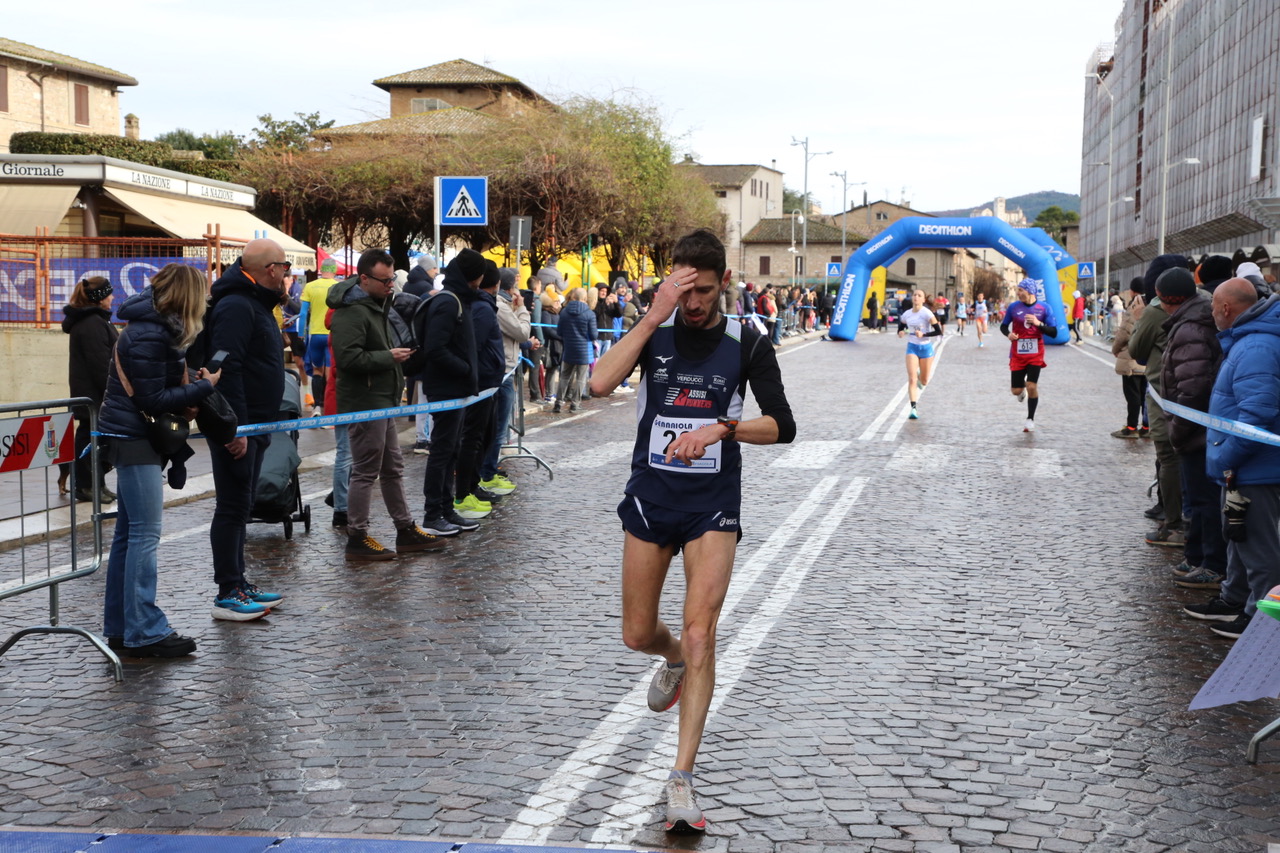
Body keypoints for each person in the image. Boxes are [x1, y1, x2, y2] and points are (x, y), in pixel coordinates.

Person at [588, 228, 795, 833]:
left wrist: (721, 431)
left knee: (703, 632)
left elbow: (783, 426)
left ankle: (681, 779)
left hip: (712, 503)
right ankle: (669, 655)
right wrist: (653, 317)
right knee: (636, 633)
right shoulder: (657, 331)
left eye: (703, 290)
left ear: (723, 282)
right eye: (684, 291)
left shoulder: (747, 340)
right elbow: (599, 384)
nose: (695, 303)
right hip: (652, 497)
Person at [99, 264, 222, 656]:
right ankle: (143, 630)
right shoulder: (150, 334)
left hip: (130, 437)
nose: (206, 300)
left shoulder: (152, 329)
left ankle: (122, 627)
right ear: (187, 296)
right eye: (202, 293)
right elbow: (152, 400)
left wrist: (189, 381)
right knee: (143, 535)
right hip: (134, 439)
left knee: (128, 536)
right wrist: (205, 385)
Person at [327, 249, 445, 560]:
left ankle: (404, 528)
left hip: (382, 398)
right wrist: (388, 357)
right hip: (365, 400)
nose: (390, 285)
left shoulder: (377, 303)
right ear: (364, 279)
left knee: (392, 467)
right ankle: (358, 535)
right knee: (366, 470)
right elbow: (347, 358)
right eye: (384, 280)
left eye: (392, 279)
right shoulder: (352, 310)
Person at [202, 239, 289, 621]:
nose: (288, 275)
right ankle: (228, 591)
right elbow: (226, 368)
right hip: (240, 425)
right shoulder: (237, 305)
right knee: (233, 505)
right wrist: (235, 427)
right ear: (270, 269)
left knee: (242, 505)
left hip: (255, 422)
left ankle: (238, 581)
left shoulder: (255, 302)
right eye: (285, 268)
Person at [1191, 278, 1274, 640]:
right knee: (1240, 538)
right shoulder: (1250, 340)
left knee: (1259, 545)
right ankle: (1236, 601)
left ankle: (1261, 619)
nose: (1211, 313)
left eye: (1213, 307)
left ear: (1226, 308)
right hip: (1246, 465)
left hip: (1255, 466)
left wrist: (1226, 457)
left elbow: (1257, 414)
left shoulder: (1256, 345)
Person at [1155, 272, 1228, 592]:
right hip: (1201, 428)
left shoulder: (1190, 328)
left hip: (1196, 431)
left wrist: (1179, 431)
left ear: (1168, 298)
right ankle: (1196, 555)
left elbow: (1193, 386)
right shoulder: (1195, 318)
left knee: (1203, 500)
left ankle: (1211, 563)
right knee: (1198, 499)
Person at [415, 248, 485, 537]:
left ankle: (445, 509)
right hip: (446, 387)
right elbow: (436, 348)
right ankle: (433, 513)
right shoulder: (448, 302)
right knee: (442, 452)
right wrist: (465, 369)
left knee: (451, 449)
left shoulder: (458, 299)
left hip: (455, 387)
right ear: (472, 276)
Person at [1131, 258, 1193, 549]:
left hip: (1163, 394)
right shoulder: (1206, 301)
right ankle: (1193, 520)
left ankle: (1174, 524)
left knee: (1168, 457)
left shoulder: (1155, 311)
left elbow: (1137, 350)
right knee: (1195, 455)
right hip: (1200, 395)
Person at [452, 260, 505, 520]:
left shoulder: (483, 306)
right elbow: (477, 344)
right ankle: (465, 491)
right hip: (482, 382)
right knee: (473, 438)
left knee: (483, 435)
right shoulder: (483, 309)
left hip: (488, 381)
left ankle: (472, 487)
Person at [61, 276, 119, 503]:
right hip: (94, 396)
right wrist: (113, 391)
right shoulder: (92, 323)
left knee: (98, 442)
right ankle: (86, 486)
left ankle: (97, 484)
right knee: (89, 441)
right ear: (99, 298)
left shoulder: (96, 321)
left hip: (95, 395)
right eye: (109, 294)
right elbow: (101, 365)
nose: (113, 297)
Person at [478, 268, 529, 498]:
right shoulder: (500, 305)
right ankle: (486, 473)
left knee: (497, 428)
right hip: (502, 373)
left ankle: (488, 470)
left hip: (505, 368)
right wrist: (522, 309)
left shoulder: (500, 303)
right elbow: (521, 332)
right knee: (496, 429)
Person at [1000, 279, 1057, 432]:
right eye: (1018, 290)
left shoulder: (1044, 308)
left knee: (1032, 386)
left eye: (1021, 290)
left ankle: (1030, 419)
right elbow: (1003, 326)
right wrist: (1009, 334)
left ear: (1030, 291)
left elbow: (1054, 332)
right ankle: (1022, 390)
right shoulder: (1013, 307)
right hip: (1017, 353)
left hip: (1035, 352)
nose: (1018, 293)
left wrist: (1039, 323)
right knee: (1016, 391)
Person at [299, 259, 339, 418]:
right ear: (334, 270)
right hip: (332, 333)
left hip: (315, 334)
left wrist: (301, 335)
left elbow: (302, 314)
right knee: (330, 373)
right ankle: (329, 409)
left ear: (321, 270)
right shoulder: (337, 287)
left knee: (317, 370)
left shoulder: (310, 286)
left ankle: (317, 407)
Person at [1111, 278, 1149, 439]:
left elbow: (1124, 332)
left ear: (1133, 291)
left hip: (1131, 358)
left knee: (1132, 396)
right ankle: (1147, 426)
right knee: (1146, 396)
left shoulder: (1134, 306)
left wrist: (1115, 349)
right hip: (1147, 359)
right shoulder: (1153, 304)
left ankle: (1131, 427)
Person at [897, 289, 942, 420]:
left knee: (924, 381)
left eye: (919, 295)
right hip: (912, 347)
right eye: (914, 295)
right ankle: (913, 408)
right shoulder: (907, 314)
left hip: (926, 348)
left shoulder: (927, 313)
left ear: (923, 300)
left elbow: (938, 331)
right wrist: (900, 332)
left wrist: (924, 334)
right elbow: (901, 327)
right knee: (911, 379)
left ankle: (919, 376)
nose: (916, 297)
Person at [554, 287, 595, 414]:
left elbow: (559, 332)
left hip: (569, 349)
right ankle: (575, 404)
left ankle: (558, 403)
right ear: (584, 298)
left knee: (564, 377)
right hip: (584, 351)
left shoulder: (564, 312)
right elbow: (593, 335)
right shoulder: (589, 313)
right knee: (581, 378)